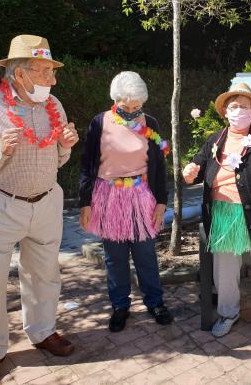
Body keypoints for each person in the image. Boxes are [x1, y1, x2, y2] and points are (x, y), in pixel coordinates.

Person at [0, 34, 79, 384]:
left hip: (46, 202)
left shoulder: (54, 104)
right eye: (44, 72)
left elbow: (56, 158)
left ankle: (42, 331)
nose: (52, 80)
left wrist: (64, 146)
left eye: (53, 71)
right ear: (20, 73)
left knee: (44, 274)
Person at [183, 83, 251, 342]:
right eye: (233, 106)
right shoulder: (215, 139)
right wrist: (190, 171)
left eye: (244, 106)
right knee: (224, 269)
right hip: (222, 212)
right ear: (225, 112)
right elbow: (199, 165)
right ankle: (227, 313)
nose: (238, 110)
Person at [79, 71, 173, 333]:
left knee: (145, 253)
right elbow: (87, 165)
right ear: (115, 100)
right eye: (126, 107)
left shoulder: (150, 122)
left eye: (137, 107)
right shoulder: (100, 123)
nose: (132, 111)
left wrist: (161, 201)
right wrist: (85, 202)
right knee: (115, 256)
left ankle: (155, 303)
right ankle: (120, 305)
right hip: (109, 197)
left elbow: (159, 166)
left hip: (142, 195)